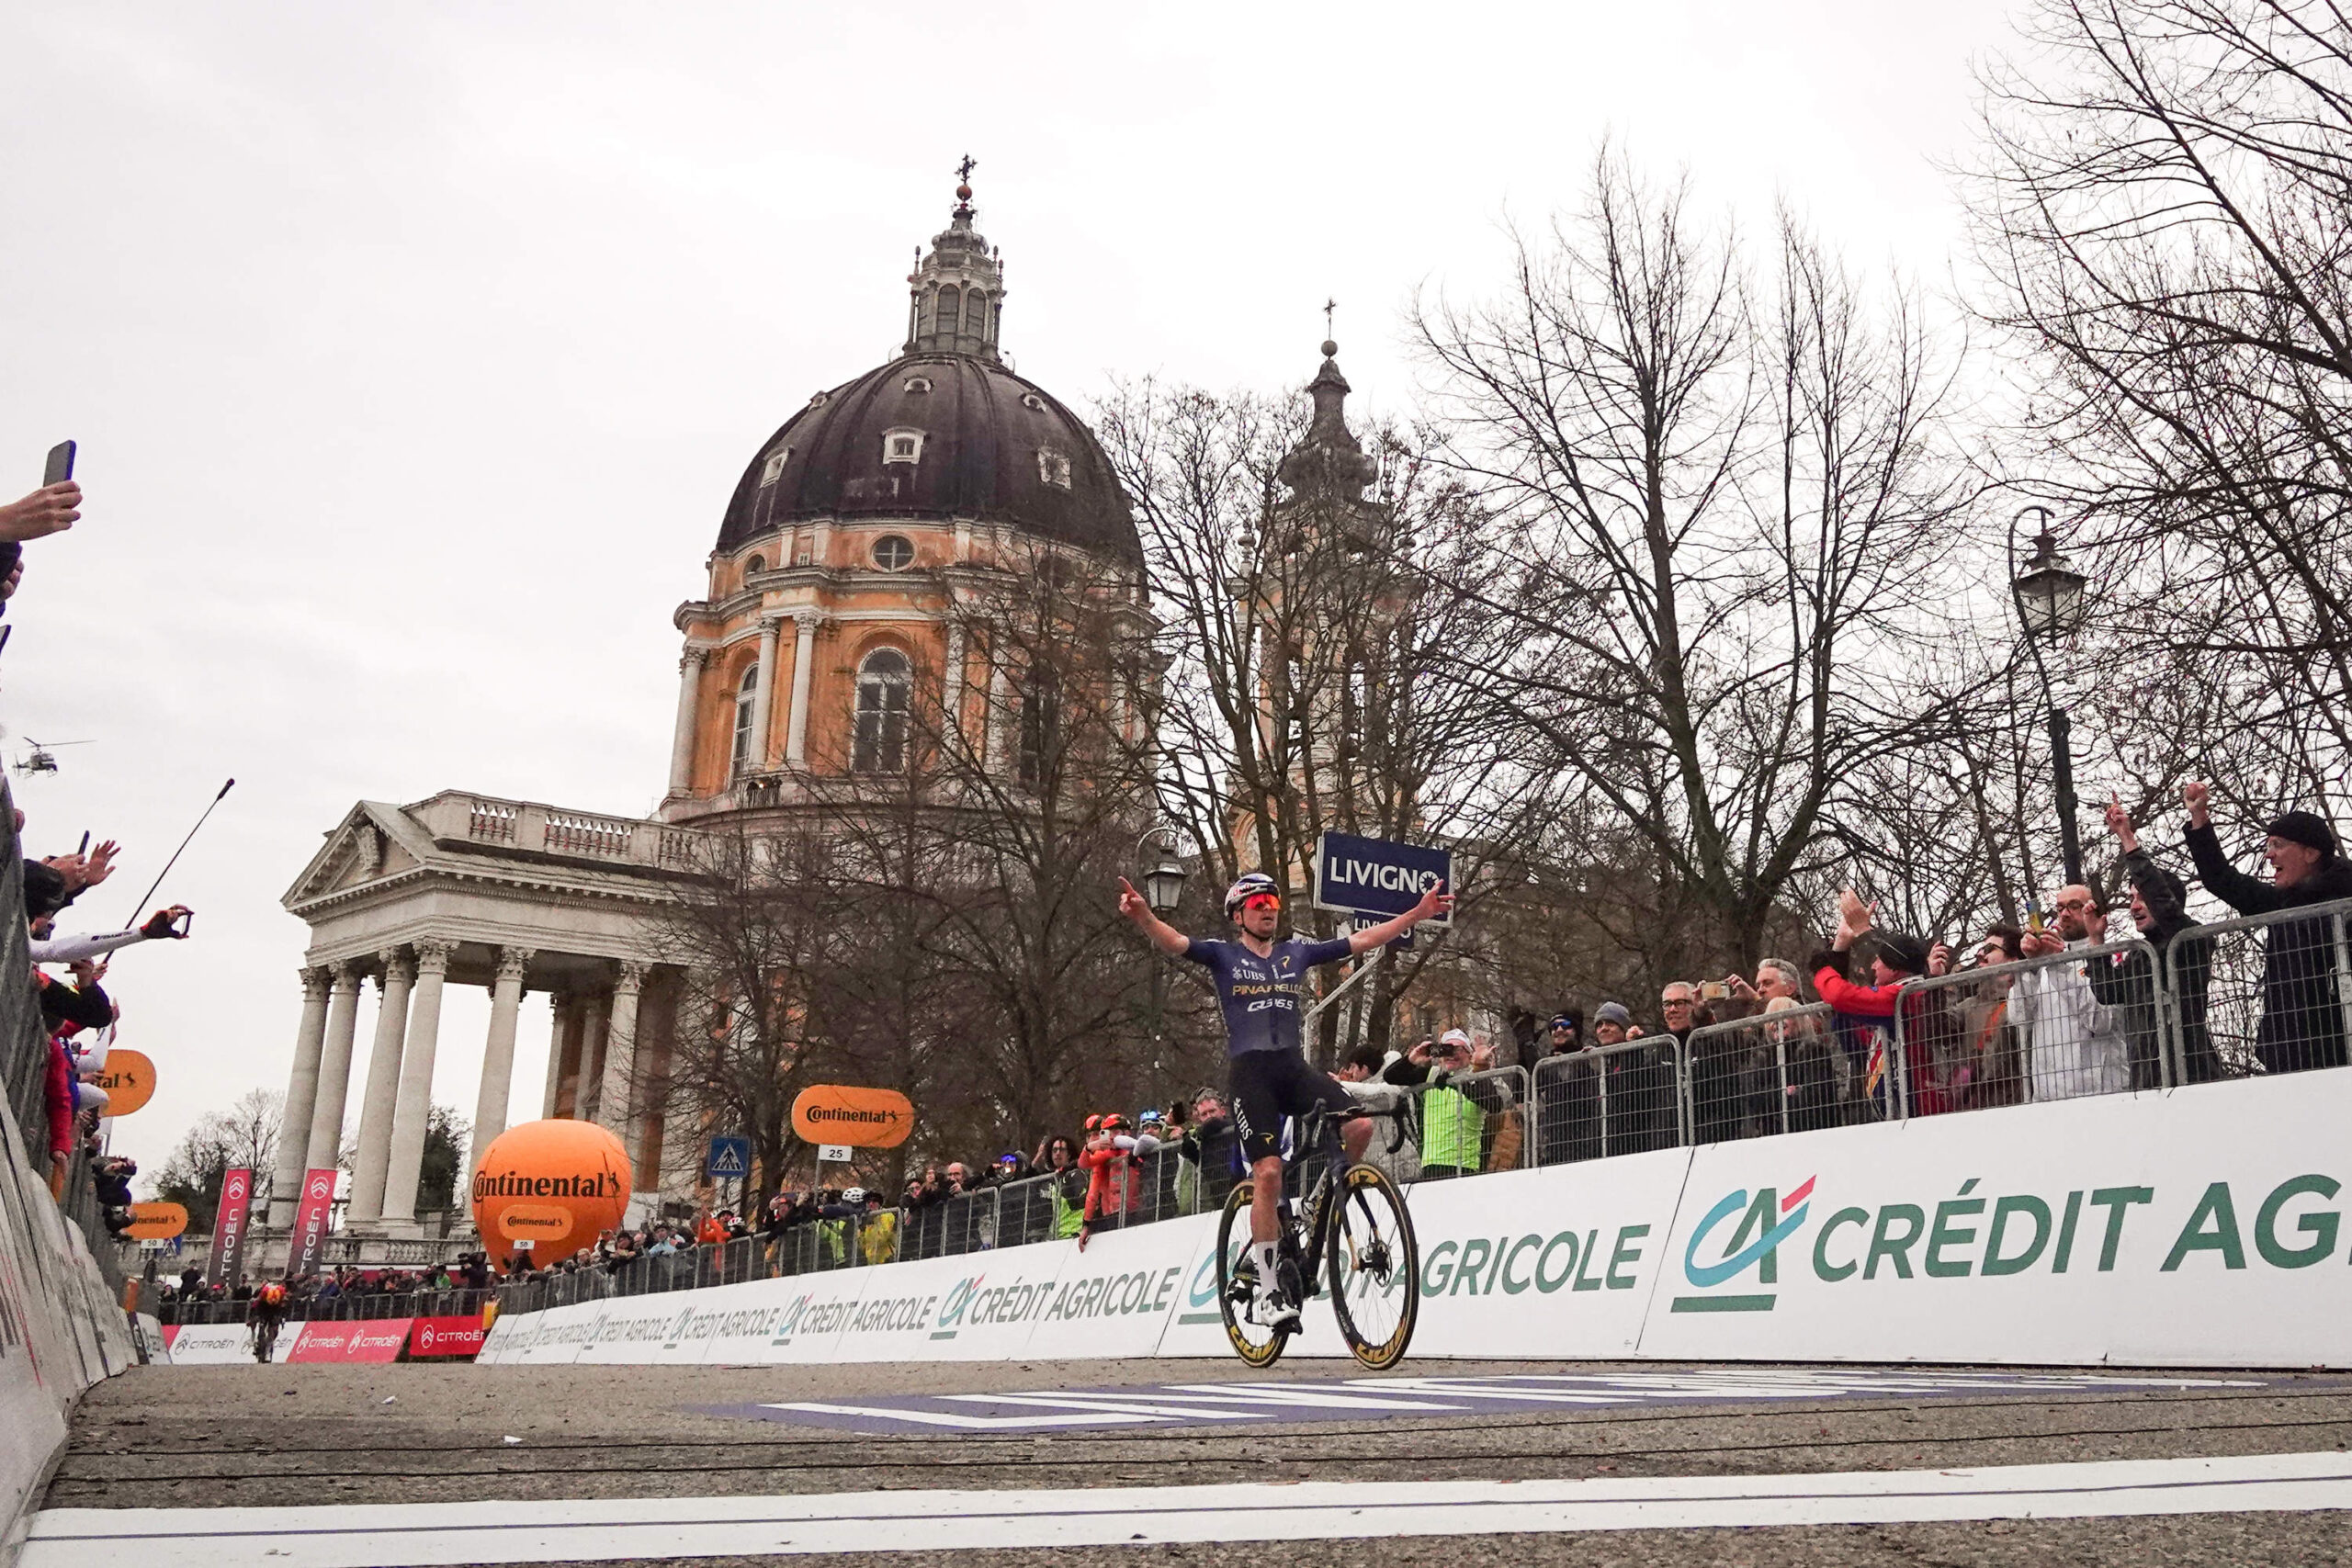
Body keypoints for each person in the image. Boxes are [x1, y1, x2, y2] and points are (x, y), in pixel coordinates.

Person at [1117, 869, 1452, 1330]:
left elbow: (1364, 939)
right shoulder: (1224, 954)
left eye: (1273, 905)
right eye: (1258, 906)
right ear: (1239, 914)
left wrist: (1415, 914)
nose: (1268, 911)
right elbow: (1176, 942)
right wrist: (1145, 917)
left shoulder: (1297, 952)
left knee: (1359, 1127)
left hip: (1293, 1069)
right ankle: (1270, 1292)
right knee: (1269, 1172)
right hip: (1250, 1074)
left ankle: (1317, 1203)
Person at [2179, 780, 2352, 1074]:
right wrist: (2199, 817)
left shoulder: (2346, 902)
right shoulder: (2279, 903)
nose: (2268, 855)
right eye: (2267, 845)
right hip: (2287, 1057)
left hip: (2340, 1053)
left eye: (2278, 845)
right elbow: (2221, 879)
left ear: (2311, 853)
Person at [2095, 795, 2221, 1086]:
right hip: (2147, 1082)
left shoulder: (2191, 938)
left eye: (2142, 896)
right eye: (2131, 899)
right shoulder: (2140, 953)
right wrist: (2096, 938)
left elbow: (2163, 903)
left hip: (2193, 1077)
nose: (2134, 906)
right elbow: (2106, 992)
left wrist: (2127, 837)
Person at [2010, 885, 2132, 1102]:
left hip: (2102, 1093)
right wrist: (2032, 966)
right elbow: (2018, 1017)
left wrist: (2058, 964)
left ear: (2092, 909)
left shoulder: (2109, 956)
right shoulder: (2045, 958)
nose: (2065, 914)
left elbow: (2102, 1021)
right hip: (2049, 1096)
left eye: (2074, 906)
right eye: (2060, 908)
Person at [246, 1278, 291, 1363]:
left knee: (273, 1330)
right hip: (264, 1309)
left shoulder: (281, 1292)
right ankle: (258, 1342)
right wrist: (254, 1317)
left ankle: (268, 1348)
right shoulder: (264, 1293)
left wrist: (283, 1317)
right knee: (262, 1327)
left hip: (275, 1310)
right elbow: (256, 1304)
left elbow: (284, 1305)